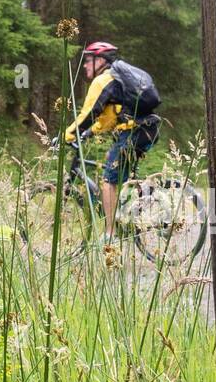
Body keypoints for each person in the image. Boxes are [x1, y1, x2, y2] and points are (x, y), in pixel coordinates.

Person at [63, 41, 162, 244]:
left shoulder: (103, 81)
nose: (84, 65)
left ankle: (110, 235)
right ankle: (137, 208)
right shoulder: (116, 82)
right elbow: (106, 119)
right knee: (118, 170)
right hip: (146, 130)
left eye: (88, 60)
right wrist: (88, 133)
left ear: (99, 60)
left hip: (133, 132)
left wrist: (67, 135)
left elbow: (89, 114)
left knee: (109, 181)